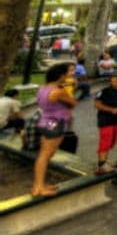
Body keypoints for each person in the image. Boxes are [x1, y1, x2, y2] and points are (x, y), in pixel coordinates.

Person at [31, 62, 77, 197]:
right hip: (56, 124)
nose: (70, 75)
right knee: (44, 156)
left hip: (45, 122)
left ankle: (39, 185)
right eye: (68, 73)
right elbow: (73, 103)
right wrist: (70, 89)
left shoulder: (43, 88)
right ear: (61, 75)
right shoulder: (59, 91)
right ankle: (38, 187)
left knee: (46, 155)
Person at [94, 72, 117, 175]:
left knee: (112, 142)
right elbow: (97, 104)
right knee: (105, 141)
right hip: (105, 120)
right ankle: (101, 164)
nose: (115, 80)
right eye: (114, 78)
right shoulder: (104, 91)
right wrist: (111, 110)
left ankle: (105, 160)